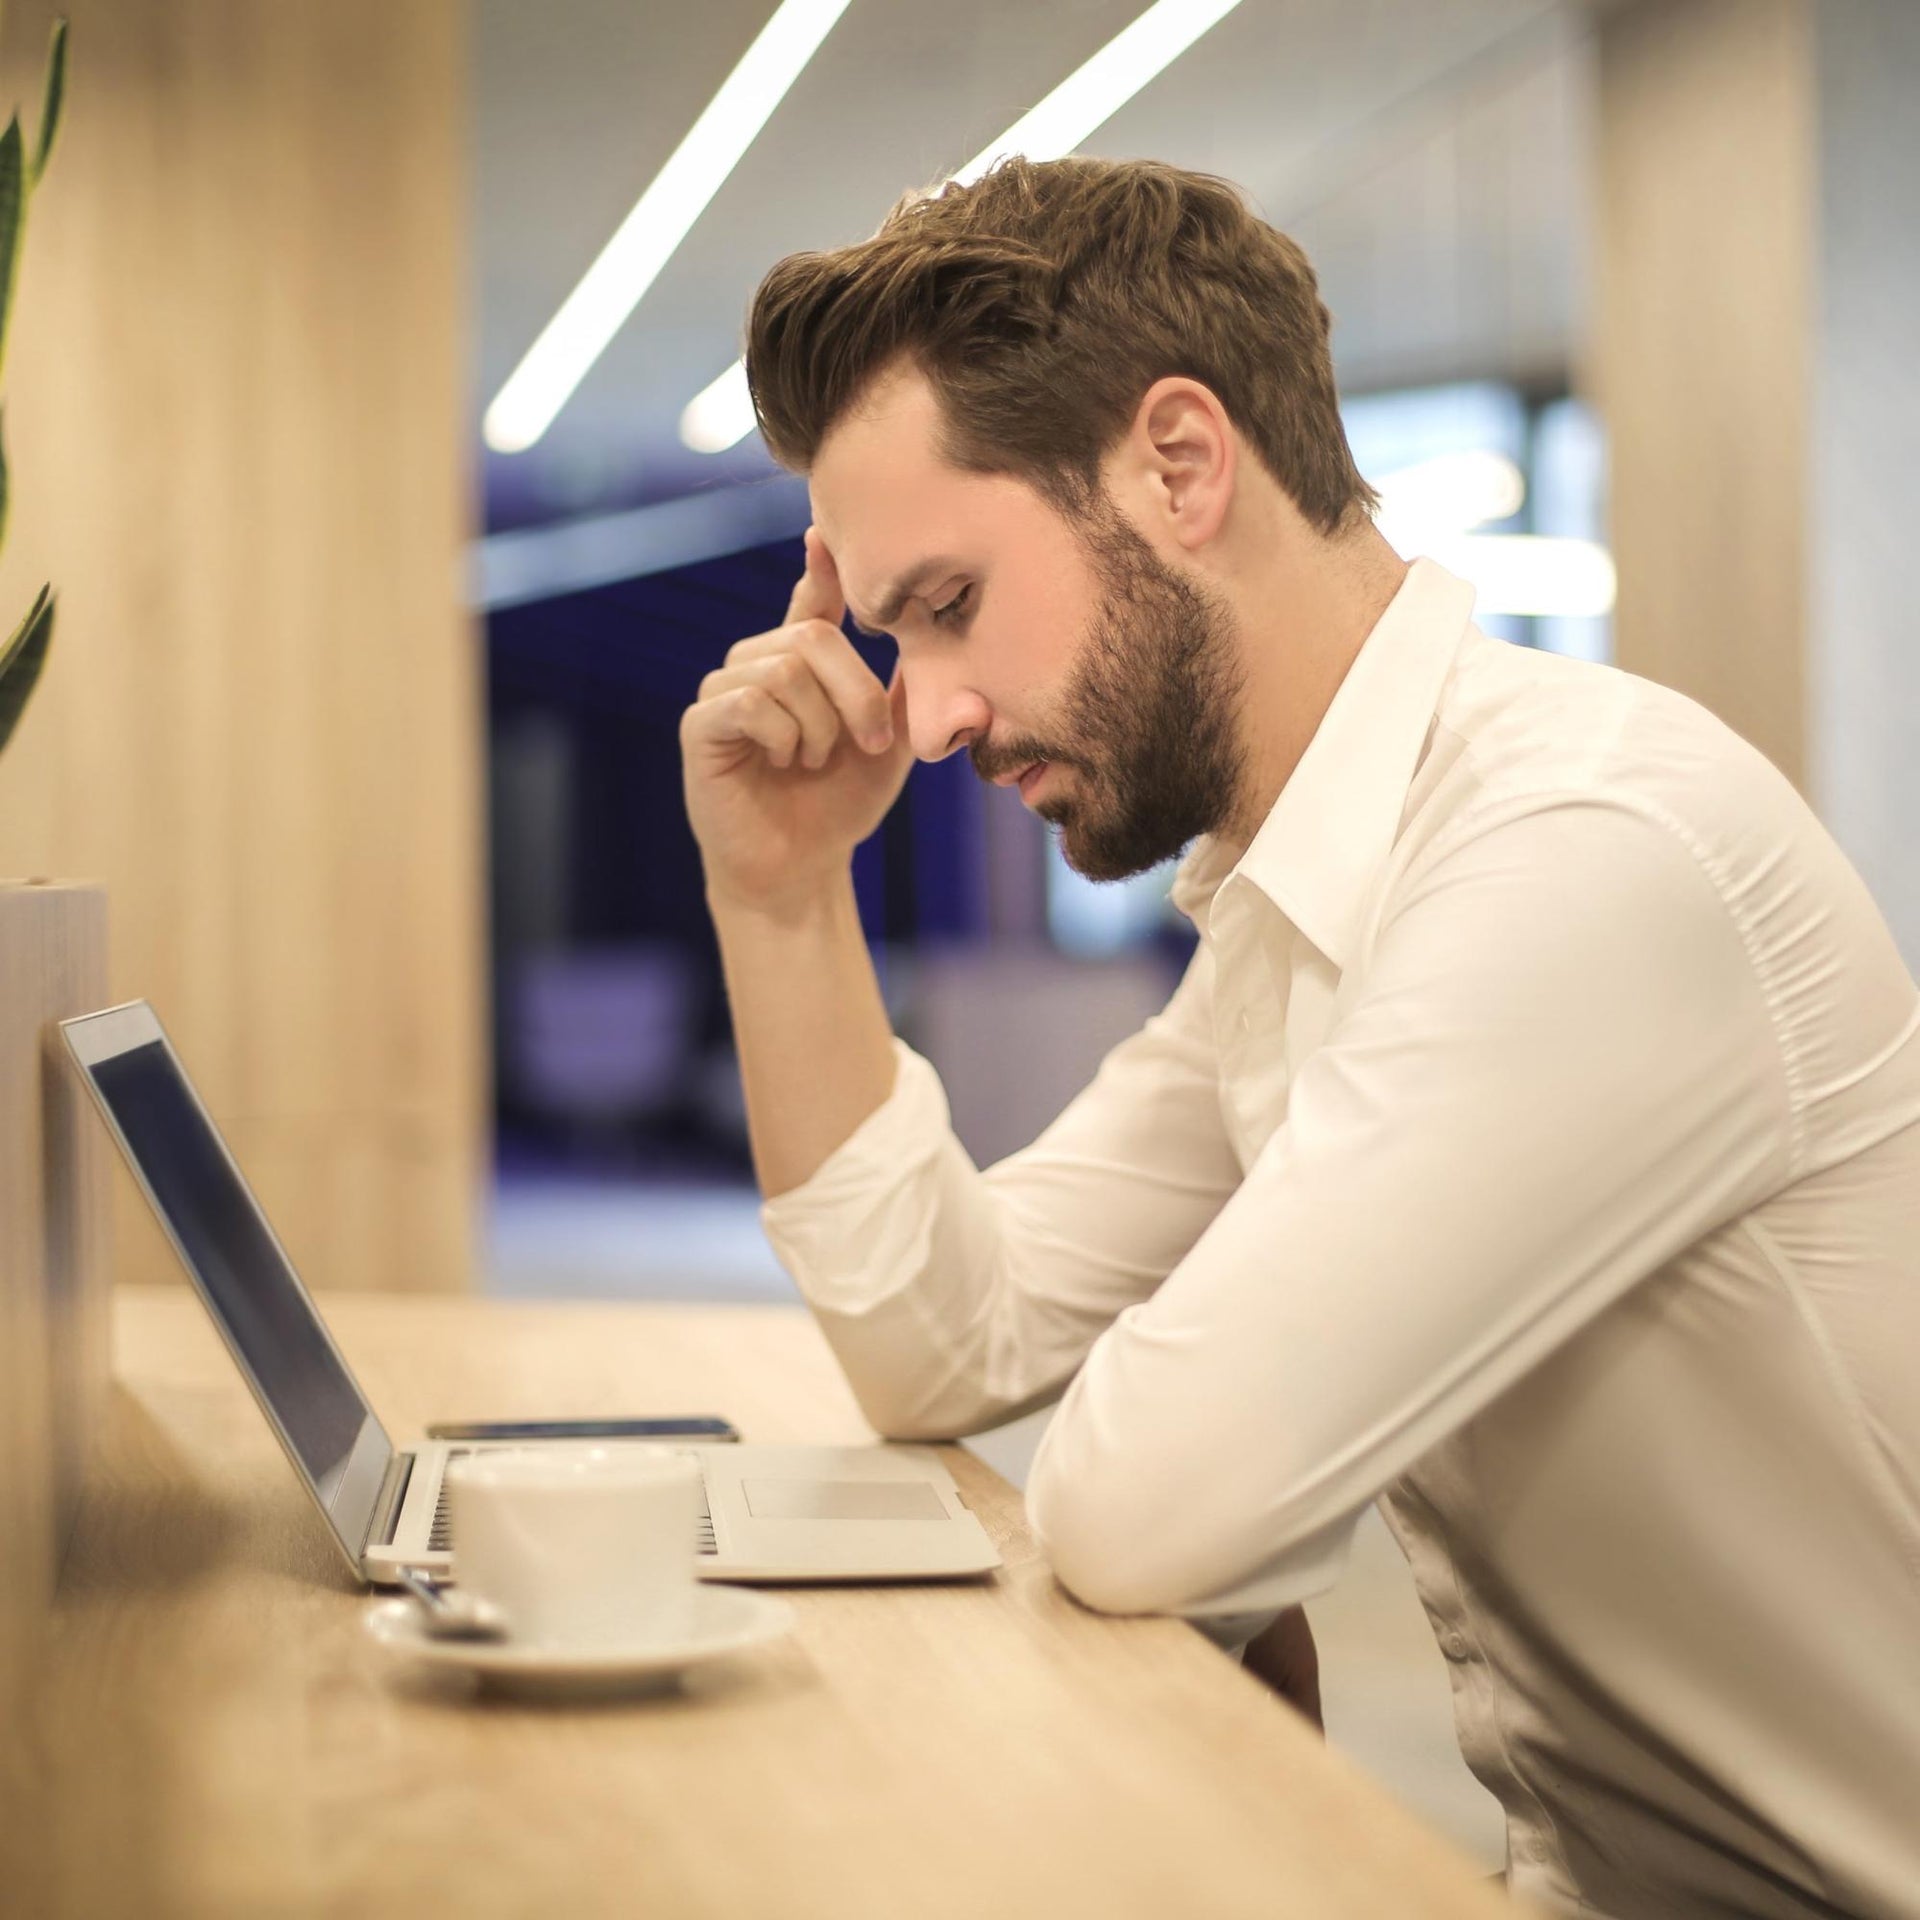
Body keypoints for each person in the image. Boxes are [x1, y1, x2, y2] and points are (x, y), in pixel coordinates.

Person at [677, 156, 1920, 1919]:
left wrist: (1214, 1434)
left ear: (1179, 465)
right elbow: (945, 1341)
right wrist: (783, 897)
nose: (927, 714)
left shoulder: (1579, 850)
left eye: (948, 607)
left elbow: (1150, 1507)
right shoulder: (1293, 905)